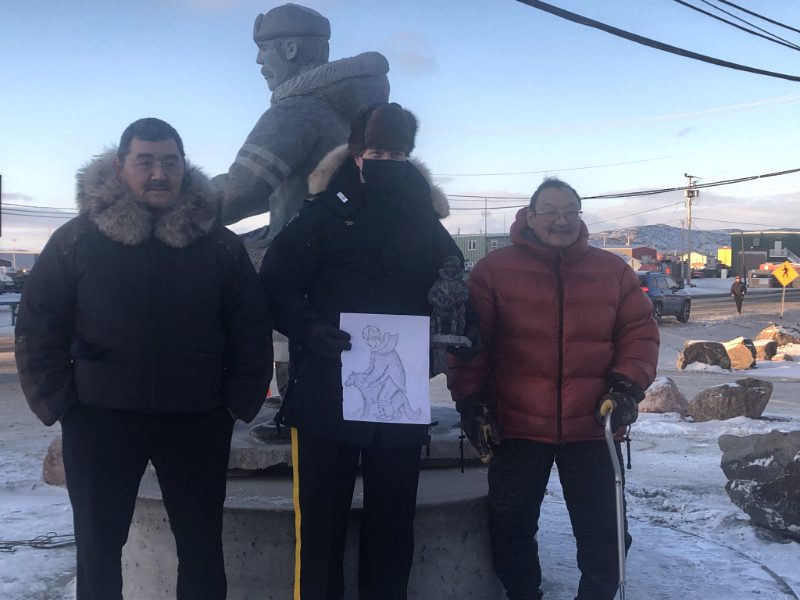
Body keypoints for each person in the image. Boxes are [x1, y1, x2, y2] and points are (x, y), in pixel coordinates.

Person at [14, 118, 273, 600]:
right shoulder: (77, 239)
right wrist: (61, 402)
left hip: (197, 420)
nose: (159, 173)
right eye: (146, 161)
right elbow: (38, 322)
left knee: (200, 546)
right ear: (120, 166)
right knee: (98, 546)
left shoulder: (218, 243)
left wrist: (236, 403)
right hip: (99, 418)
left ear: (183, 166)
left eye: (169, 162)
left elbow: (250, 326)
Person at [260, 102, 460, 599]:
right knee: (321, 530)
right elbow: (275, 285)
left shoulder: (424, 218)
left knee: (393, 528)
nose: (386, 159)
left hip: (397, 399)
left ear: (408, 155)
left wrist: (447, 312)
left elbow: (452, 279)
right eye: (376, 150)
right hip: (327, 394)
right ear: (355, 152)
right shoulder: (323, 214)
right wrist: (308, 328)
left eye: (396, 151)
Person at [447, 177, 659, 600]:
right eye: (550, 211)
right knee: (509, 527)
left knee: (606, 536)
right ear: (530, 216)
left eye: (570, 211)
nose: (561, 221)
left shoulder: (612, 271)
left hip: (592, 425)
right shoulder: (494, 270)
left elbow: (640, 333)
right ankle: (524, 594)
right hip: (517, 426)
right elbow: (470, 345)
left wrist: (626, 387)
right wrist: (471, 402)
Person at [212, 2, 391, 418]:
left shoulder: (293, 112)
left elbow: (243, 188)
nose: (260, 63)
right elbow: (263, 193)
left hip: (293, 253)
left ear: (290, 50)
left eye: (264, 50)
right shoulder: (345, 112)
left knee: (225, 282)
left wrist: (172, 212)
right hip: (341, 257)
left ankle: (291, 414)